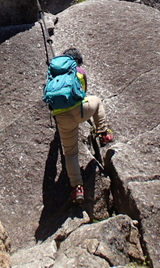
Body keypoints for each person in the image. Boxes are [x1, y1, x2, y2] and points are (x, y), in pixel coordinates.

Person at [53, 47, 114, 204]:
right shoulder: (79, 71)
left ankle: (77, 188)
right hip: (79, 110)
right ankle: (103, 133)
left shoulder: (54, 74)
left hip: (61, 118)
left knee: (71, 154)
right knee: (98, 101)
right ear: (77, 60)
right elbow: (83, 93)